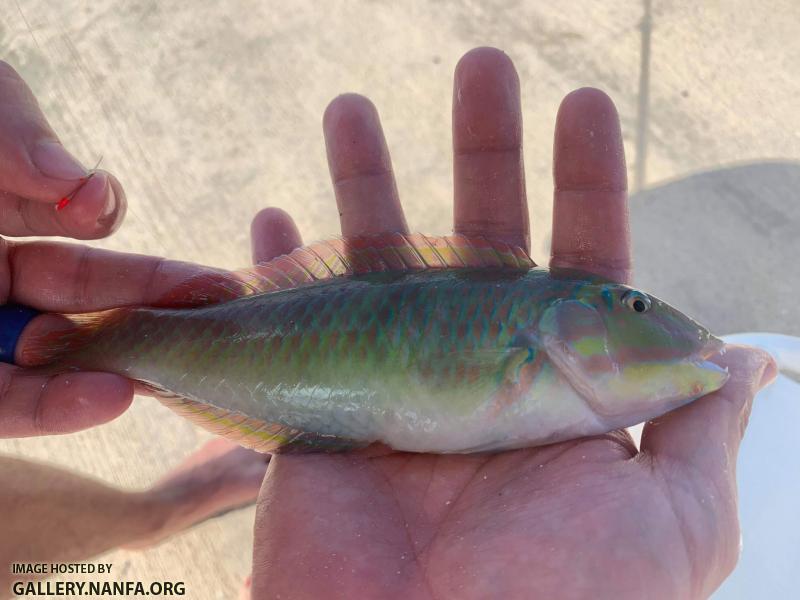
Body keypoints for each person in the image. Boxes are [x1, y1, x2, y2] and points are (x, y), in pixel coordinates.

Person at [0, 47, 776, 600]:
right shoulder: (533, 333)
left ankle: (159, 505)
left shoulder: (557, 359)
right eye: (632, 305)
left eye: (638, 303)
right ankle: (158, 497)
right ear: (564, 320)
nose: (643, 311)